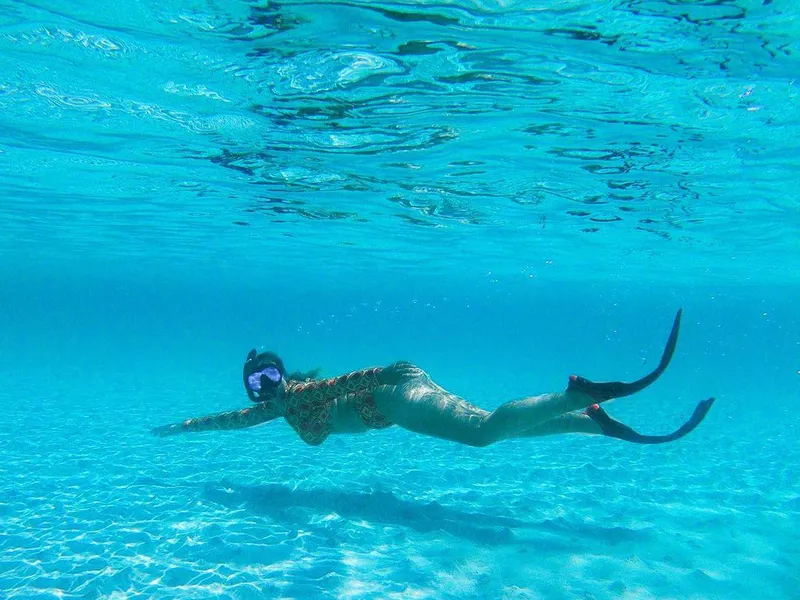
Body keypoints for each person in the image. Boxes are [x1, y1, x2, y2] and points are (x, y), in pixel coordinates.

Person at [151, 309, 714, 447]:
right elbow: (225, 422)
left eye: (270, 374)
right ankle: (587, 419)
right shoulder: (269, 410)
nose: (267, 387)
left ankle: (577, 393)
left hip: (393, 397)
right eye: (257, 382)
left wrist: (390, 370)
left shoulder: (299, 393)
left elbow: (343, 383)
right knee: (486, 427)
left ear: (283, 372)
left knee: (482, 432)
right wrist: (180, 427)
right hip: (396, 399)